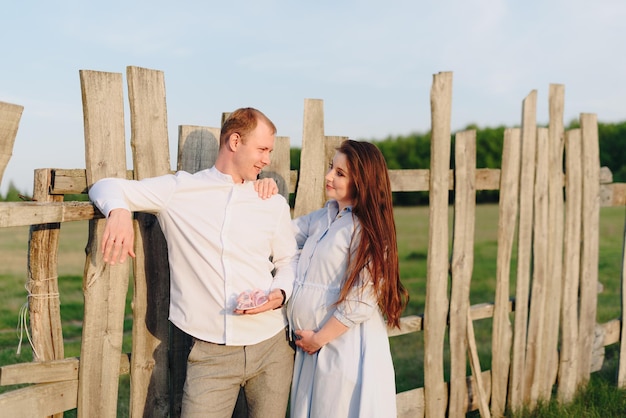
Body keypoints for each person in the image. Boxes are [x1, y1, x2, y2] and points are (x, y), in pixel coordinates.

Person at [88, 107, 298, 418]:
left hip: (272, 347)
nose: (268, 159)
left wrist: (279, 294)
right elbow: (105, 186)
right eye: (263, 149)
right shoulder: (179, 190)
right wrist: (118, 211)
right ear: (235, 141)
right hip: (210, 354)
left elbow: (288, 259)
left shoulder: (272, 202)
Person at [287, 139, 409, 418]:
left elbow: (362, 299)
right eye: (332, 168)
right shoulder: (325, 217)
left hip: (345, 345)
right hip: (314, 347)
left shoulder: (366, 230)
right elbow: (283, 234)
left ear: (362, 181)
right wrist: (262, 193)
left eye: (340, 173)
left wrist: (320, 338)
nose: (329, 176)